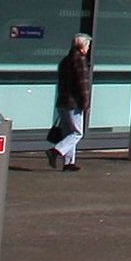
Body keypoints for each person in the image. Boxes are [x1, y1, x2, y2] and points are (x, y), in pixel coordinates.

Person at [50, 33, 95, 170]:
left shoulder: (65, 61)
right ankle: (56, 151)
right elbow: (83, 85)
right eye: (87, 45)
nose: (88, 48)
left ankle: (69, 162)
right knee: (77, 133)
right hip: (73, 103)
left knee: (68, 132)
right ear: (82, 46)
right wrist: (86, 103)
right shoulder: (80, 61)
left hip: (62, 101)